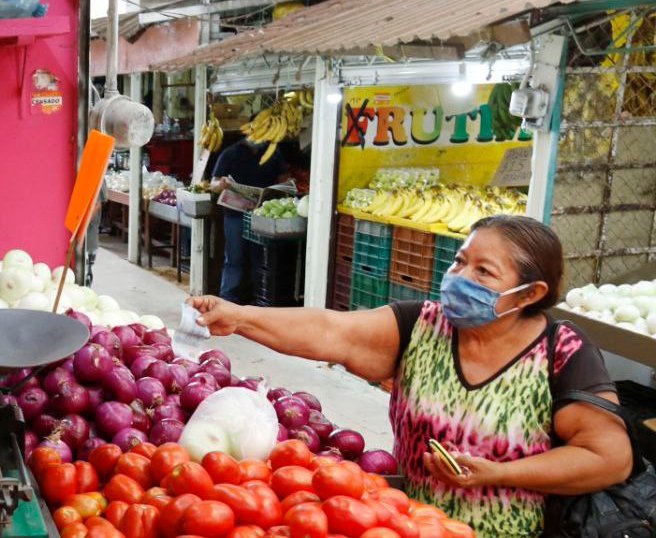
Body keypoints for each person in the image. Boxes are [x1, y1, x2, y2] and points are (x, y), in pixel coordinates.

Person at [189, 215, 632, 537]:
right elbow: (330, 330)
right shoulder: (420, 325)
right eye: (460, 262)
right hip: (411, 527)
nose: (459, 277)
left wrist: (497, 474)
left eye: (483, 271)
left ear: (530, 293)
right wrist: (240, 317)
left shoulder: (562, 350)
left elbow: (608, 458)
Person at [211, 137, 286, 301]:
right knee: (234, 259)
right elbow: (213, 184)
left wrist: (282, 188)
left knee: (259, 260)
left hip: (261, 216)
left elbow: (283, 179)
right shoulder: (230, 153)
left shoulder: (273, 153)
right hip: (234, 215)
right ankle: (227, 298)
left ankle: (257, 298)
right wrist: (221, 184)